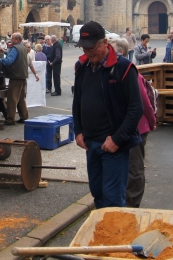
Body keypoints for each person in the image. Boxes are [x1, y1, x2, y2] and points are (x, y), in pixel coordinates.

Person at [72, 22, 143, 208]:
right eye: (84, 48)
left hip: (112, 146)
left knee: (113, 199)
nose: (88, 52)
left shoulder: (123, 67)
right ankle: (104, 235)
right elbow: (77, 102)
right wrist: (78, 131)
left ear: (104, 42)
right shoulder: (82, 67)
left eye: (92, 47)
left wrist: (117, 139)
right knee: (98, 193)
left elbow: (136, 109)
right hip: (90, 143)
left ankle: (115, 236)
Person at [109, 38, 157, 208]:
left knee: (134, 168)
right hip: (120, 128)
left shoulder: (129, 70)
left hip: (136, 128)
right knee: (122, 167)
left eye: (111, 50)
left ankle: (132, 206)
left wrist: (151, 123)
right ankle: (122, 202)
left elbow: (144, 102)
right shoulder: (110, 70)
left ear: (121, 52)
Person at [0, 33, 29, 125]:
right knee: (20, 98)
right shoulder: (23, 47)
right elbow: (14, 55)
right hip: (22, 76)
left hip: (15, 76)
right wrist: (4, 52)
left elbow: (8, 61)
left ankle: (10, 119)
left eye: (12, 39)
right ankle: (24, 117)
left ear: (16, 39)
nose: (11, 40)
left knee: (12, 98)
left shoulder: (15, 48)